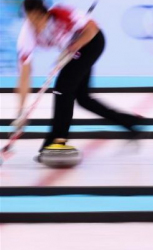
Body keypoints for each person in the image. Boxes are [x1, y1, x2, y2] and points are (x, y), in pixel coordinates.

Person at [16, 0, 144, 160]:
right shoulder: (26, 34)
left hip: (92, 41)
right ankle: (131, 123)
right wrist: (21, 112)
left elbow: (92, 29)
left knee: (63, 89)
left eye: (38, 19)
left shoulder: (61, 15)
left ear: (46, 14)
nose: (36, 25)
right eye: (31, 20)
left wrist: (73, 48)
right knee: (83, 99)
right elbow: (25, 74)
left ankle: (58, 141)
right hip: (75, 49)